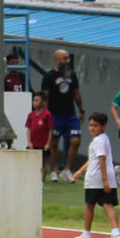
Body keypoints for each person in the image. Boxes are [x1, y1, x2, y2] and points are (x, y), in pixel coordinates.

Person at [69, 112, 120, 238]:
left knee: (89, 206)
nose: (92, 128)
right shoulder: (104, 139)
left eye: (95, 126)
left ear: (103, 126)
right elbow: (93, 159)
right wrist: (81, 171)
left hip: (95, 179)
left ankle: (86, 235)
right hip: (106, 177)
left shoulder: (99, 140)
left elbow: (101, 159)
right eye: (91, 125)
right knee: (108, 204)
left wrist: (104, 180)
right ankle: (116, 232)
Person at [41, 49, 84, 182]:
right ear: (57, 60)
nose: (67, 61)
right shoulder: (49, 76)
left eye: (68, 58)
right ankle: (53, 170)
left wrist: (81, 110)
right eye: (65, 58)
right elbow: (45, 97)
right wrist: (45, 114)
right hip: (55, 115)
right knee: (54, 143)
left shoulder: (72, 75)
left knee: (76, 140)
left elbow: (77, 93)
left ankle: (66, 169)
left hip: (70, 114)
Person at [25, 91, 53, 178]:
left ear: (43, 102)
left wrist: (48, 143)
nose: (34, 102)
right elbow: (29, 129)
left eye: (37, 100)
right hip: (33, 144)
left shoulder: (47, 114)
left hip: (43, 144)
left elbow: (50, 130)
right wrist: (29, 142)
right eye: (34, 100)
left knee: (43, 163)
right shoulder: (31, 115)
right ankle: (33, 180)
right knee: (32, 163)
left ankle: (42, 182)